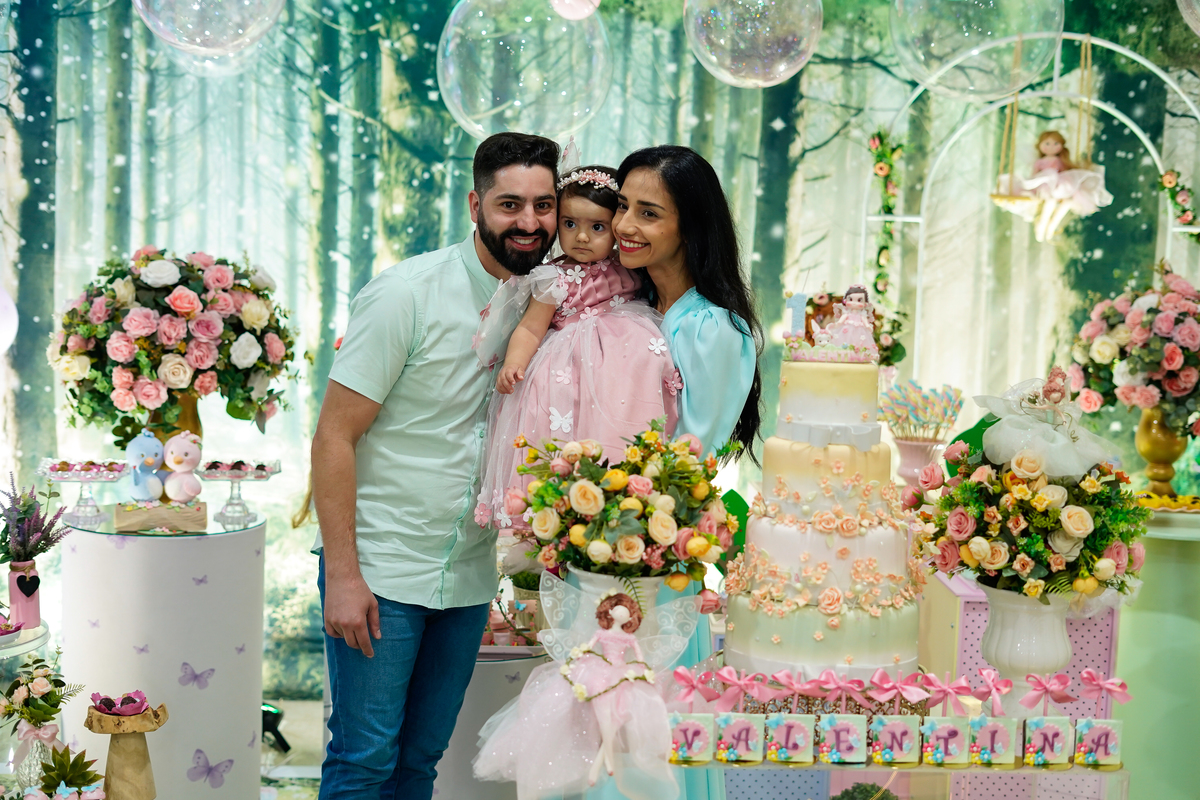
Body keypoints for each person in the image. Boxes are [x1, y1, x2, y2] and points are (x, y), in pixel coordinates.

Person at [309, 131, 560, 800]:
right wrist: (344, 575)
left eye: (543, 205)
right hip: (382, 567)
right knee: (364, 759)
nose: (529, 222)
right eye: (510, 204)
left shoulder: (550, 301)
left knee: (421, 761)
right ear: (476, 205)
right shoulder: (406, 294)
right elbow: (333, 437)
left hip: (469, 576)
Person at [611, 144, 762, 800]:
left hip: (656, 556)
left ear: (691, 225)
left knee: (651, 737)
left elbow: (690, 458)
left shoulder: (714, 328)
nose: (624, 225)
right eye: (622, 206)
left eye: (649, 213)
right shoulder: (630, 307)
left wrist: (620, 515)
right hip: (604, 548)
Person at [474, 163, 679, 527]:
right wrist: (514, 363)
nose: (582, 237)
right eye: (570, 224)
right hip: (569, 370)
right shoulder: (552, 277)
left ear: (615, 227)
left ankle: (624, 487)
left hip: (621, 373)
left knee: (621, 427)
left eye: (597, 227)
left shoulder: (628, 263)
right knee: (570, 433)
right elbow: (530, 329)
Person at [475, 586, 690, 800]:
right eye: (619, 609)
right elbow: (588, 647)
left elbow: (640, 657)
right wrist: (577, 658)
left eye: (627, 611)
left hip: (622, 671)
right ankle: (605, 762)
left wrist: (643, 671)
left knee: (617, 717)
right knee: (604, 714)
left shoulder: (629, 638)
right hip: (601, 670)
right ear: (610, 610)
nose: (623, 613)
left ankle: (603, 763)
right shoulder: (601, 633)